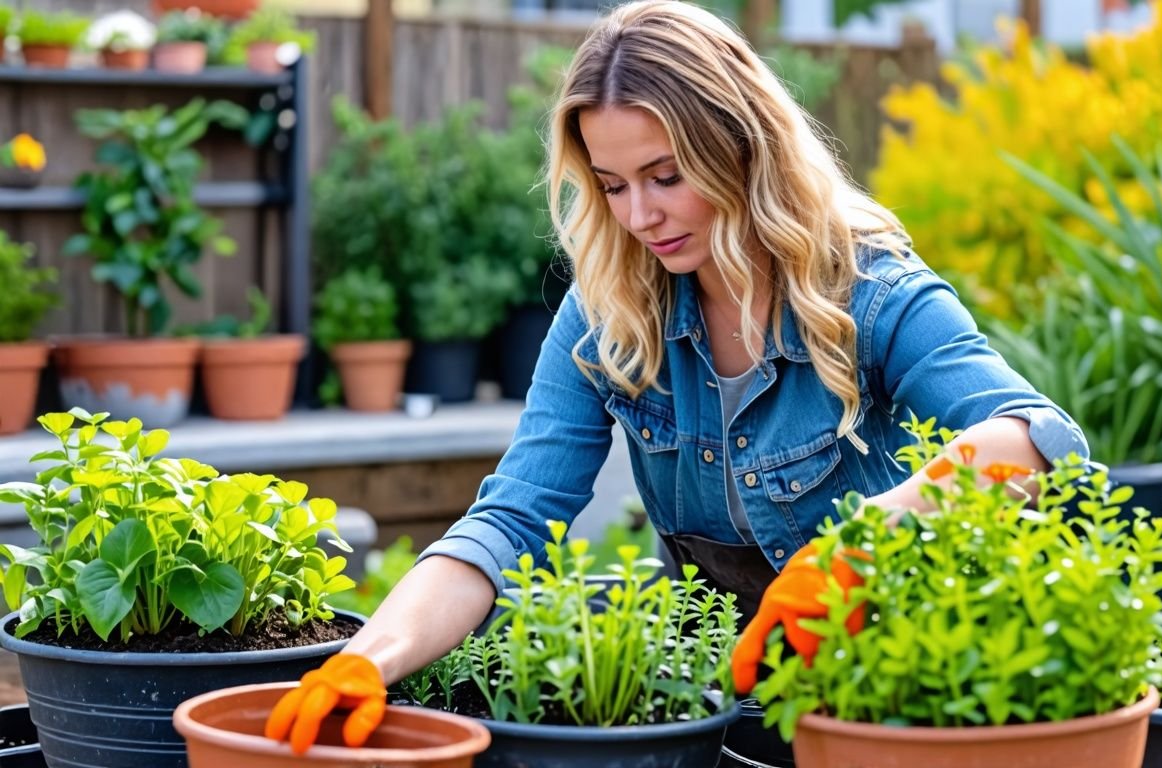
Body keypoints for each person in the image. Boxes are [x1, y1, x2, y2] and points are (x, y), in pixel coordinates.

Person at [264, 0, 1089, 757]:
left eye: (666, 176)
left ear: (743, 146)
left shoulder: (868, 293)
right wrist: (368, 656)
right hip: (716, 707)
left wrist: (858, 550)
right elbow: (511, 518)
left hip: (884, 707)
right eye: (613, 185)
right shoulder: (611, 310)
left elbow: (1039, 438)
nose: (638, 216)